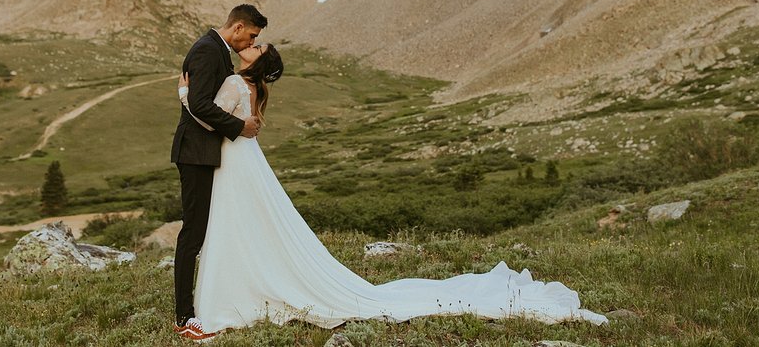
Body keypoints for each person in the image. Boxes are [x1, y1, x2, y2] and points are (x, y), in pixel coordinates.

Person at [177, 44, 607, 339]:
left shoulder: (236, 84)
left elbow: (206, 114)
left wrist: (182, 90)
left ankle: (227, 297)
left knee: (231, 226)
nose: (249, 47)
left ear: (255, 64)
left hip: (233, 164)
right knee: (243, 225)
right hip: (245, 162)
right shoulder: (251, 88)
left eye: (255, 47)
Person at [170, 4, 266, 340]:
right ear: (238, 27)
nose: (250, 42)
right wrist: (239, 127)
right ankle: (184, 317)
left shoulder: (217, 51)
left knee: (205, 230)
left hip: (207, 152)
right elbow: (199, 104)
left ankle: (211, 298)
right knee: (192, 233)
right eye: (251, 35)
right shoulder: (207, 50)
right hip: (195, 154)